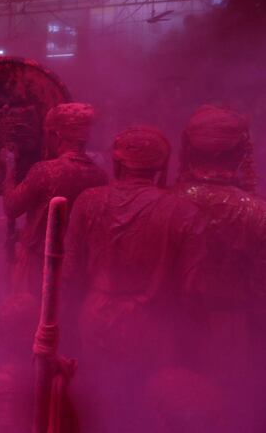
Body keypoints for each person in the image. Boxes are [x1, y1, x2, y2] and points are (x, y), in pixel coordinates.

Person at [64, 127, 206, 432]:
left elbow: (69, 273)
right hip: (151, 322)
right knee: (146, 405)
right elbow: (191, 292)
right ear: (160, 166)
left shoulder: (88, 201)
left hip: (96, 314)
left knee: (99, 402)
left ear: (118, 162)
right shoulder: (184, 212)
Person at [173, 105, 266, 429]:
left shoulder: (166, 202)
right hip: (231, 333)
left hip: (171, 323)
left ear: (188, 147)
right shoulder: (264, 215)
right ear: (241, 150)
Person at [0, 102, 107, 294]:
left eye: (47, 133)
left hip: (38, 267)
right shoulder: (99, 176)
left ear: (56, 135)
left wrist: (9, 164)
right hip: (76, 271)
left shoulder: (45, 171)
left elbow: (11, 207)